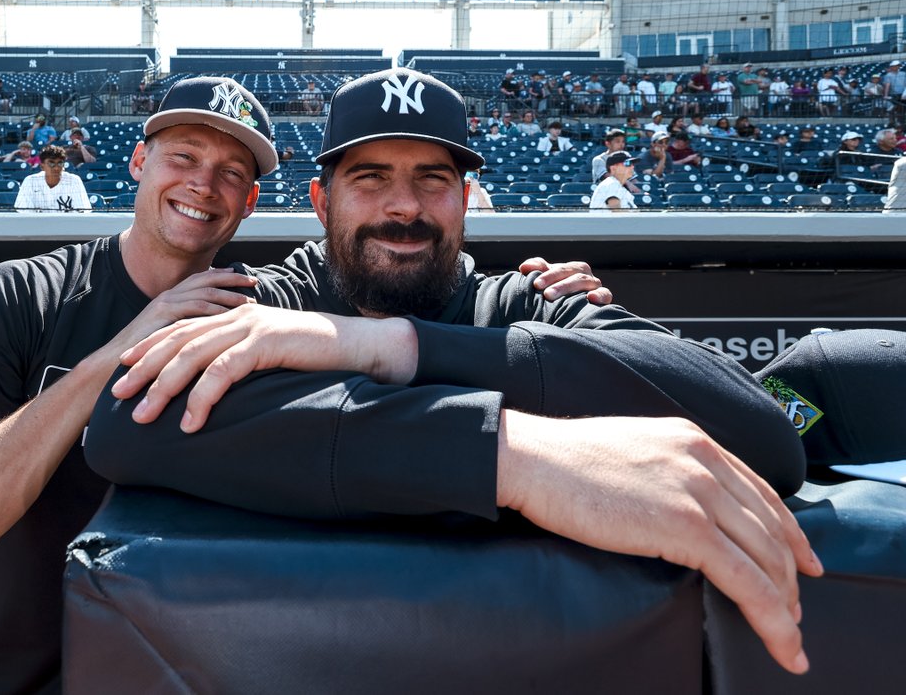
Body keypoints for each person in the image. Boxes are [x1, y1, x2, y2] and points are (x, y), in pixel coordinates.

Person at [0, 75, 612, 694]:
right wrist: (105, 363)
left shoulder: (272, 311)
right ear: (138, 164)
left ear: (253, 203)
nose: (203, 185)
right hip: (28, 676)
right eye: (183, 157)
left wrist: (534, 320)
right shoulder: (29, 297)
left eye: (232, 173)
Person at [95, 69, 819, 678]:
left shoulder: (528, 300)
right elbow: (127, 420)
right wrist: (511, 459)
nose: (404, 207)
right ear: (322, 203)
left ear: (466, 200)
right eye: (371, 178)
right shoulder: (264, 301)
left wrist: (393, 347)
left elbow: (766, 431)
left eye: (432, 180)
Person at [14, 144, 92, 212]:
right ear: (42, 166)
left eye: (60, 163)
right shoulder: (30, 181)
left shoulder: (74, 181)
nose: (56, 168)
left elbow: (83, 212)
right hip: (37, 226)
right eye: (51, 164)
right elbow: (23, 213)